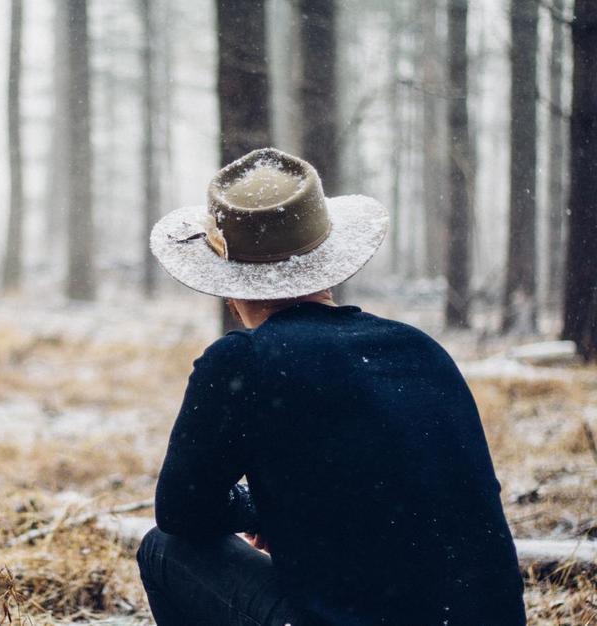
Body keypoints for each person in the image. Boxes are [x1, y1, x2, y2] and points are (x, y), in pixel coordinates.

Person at [137, 148, 526, 626]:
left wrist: (255, 510)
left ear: (228, 283)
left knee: (164, 550)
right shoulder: (419, 348)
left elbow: (181, 511)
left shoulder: (244, 361)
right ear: (326, 260)